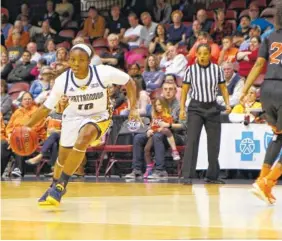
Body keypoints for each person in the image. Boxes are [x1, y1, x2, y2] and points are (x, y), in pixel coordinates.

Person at [24, 43, 139, 206]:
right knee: (62, 158)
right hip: (73, 115)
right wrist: (26, 126)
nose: (76, 64)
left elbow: (129, 82)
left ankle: (61, 185)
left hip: (99, 115)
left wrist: (133, 108)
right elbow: (45, 108)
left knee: (83, 139)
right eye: (72, 60)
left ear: (89, 61)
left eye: (81, 60)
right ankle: (53, 187)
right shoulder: (62, 81)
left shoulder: (103, 72)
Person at [240, 2, 282, 205]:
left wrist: (245, 88)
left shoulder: (269, 37)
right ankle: (268, 181)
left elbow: (258, 64)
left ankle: (261, 182)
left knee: (278, 137)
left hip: (267, 90)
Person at [180, 43, 231, 184]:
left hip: (213, 108)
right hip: (195, 107)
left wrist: (227, 103)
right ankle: (187, 176)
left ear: (210, 55)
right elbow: (184, 91)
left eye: (205, 53)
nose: (202, 56)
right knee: (192, 141)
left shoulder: (217, 70)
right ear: (196, 54)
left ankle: (212, 176)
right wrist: (183, 108)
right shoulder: (190, 70)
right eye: (200, 53)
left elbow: (223, 88)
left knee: (214, 143)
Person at [144, 97, 180, 178]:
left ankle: (174, 151)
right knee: (146, 149)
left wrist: (160, 128)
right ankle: (149, 167)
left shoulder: (167, 115)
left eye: (159, 105)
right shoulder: (155, 116)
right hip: (153, 134)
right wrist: (149, 130)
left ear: (164, 105)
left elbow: (168, 126)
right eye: (156, 105)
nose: (158, 107)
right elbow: (151, 126)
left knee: (165, 132)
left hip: (163, 135)